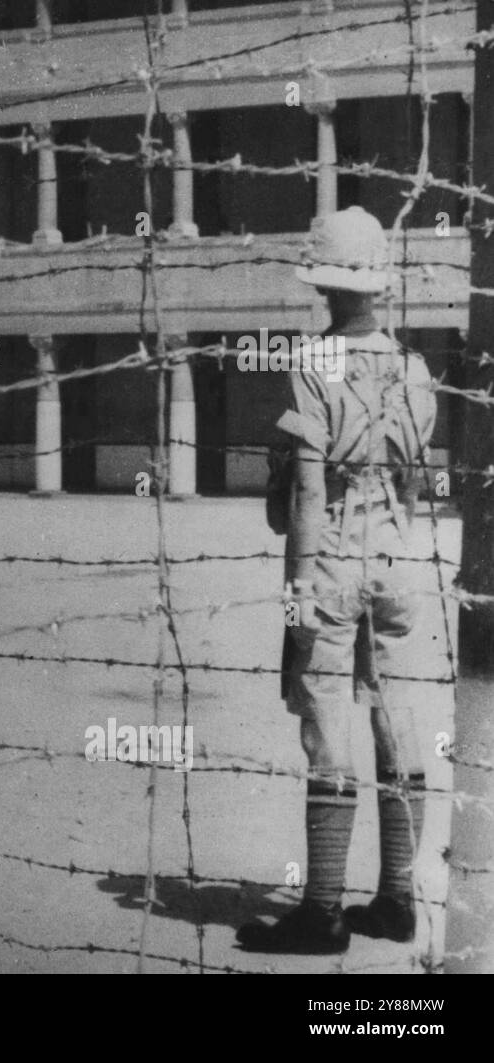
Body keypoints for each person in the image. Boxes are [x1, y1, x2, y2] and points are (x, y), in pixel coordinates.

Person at [238, 206, 436, 954]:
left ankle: (320, 909)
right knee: (397, 717)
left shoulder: (313, 362)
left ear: (323, 285)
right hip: (395, 554)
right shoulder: (413, 366)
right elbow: (416, 480)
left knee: (327, 726)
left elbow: (307, 496)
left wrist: (298, 598)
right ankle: (397, 897)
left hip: (331, 559)